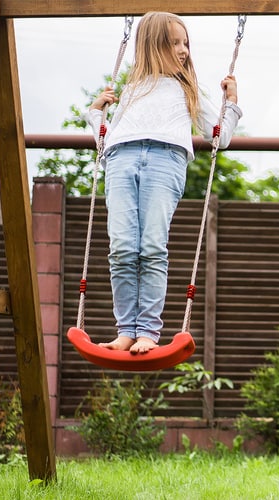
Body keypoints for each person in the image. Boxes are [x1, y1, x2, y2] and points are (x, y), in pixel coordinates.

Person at [86, 11, 242, 354]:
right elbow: (106, 140)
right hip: (121, 158)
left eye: (186, 43)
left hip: (165, 161)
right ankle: (125, 331)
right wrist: (95, 113)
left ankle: (147, 332)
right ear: (153, 45)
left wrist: (231, 102)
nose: (184, 50)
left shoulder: (188, 89)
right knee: (122, 248)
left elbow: (219, 136)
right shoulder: (131, 89)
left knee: (152, 247)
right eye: (175, 43)